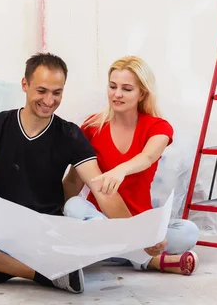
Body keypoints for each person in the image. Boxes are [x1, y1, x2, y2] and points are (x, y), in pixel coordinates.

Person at [0, 53, 167, 294]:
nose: (49, 100)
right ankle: (41, 274)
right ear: (25, 85)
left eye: (57, 92)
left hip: (45, 237)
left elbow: (103, 192)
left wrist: (140, 237)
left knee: (83, 220)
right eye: (41, 91)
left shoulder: (70, 135)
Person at [62, 55, 200, 276]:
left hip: (138, 222)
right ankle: (146, 259)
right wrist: (56, 218)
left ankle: (121, 251)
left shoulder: (158, 127)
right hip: (99, 221)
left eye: (126, 89)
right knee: (73, 207)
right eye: (112, 86)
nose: (117, 94)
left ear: (142, 93)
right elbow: (74, 180)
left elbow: (147, 157)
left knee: (188, 232)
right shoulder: (91, 126)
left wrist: (119, 171)